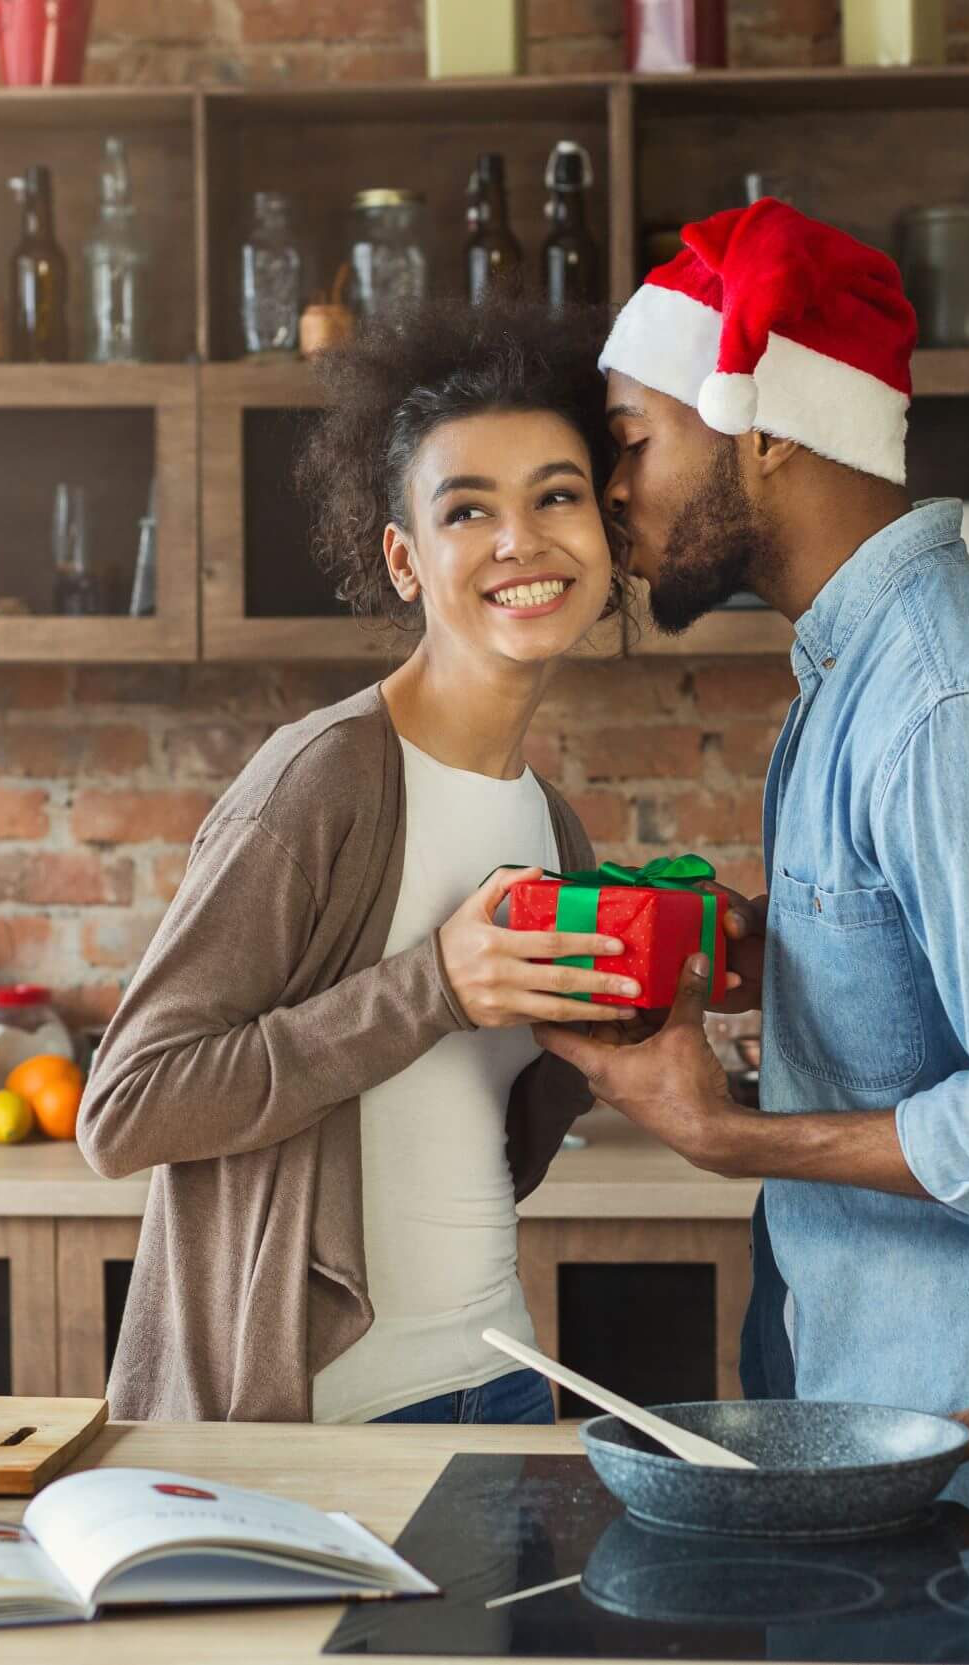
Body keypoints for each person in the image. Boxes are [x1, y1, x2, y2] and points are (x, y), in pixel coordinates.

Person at [537, 200, 969, 1430]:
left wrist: (728, 1136)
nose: (611, 492)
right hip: (904, 1411)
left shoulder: (949, 701)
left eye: (632, 441)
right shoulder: (858, 673)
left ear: (769, 435)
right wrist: (782, 954)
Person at [79, 300, 671, 1423]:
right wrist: (431, 988)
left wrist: (627, 1026)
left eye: (556, 496)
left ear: (607, 533)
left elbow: (476, 1140)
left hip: (498, 1379)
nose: (519, 541)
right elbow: (127, 1110)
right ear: (404, 560)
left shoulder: (550, 825)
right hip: (327, 1412)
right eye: (466, 510)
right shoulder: (324, 781)